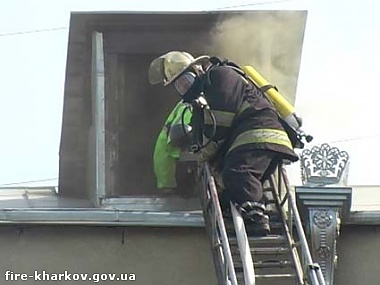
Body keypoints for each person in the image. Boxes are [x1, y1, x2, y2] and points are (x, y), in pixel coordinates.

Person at [148, 51, 298, 235]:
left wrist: (204, 156)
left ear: (197, 69)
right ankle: (257, 211)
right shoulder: (200, 101)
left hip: (258, 133)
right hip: (252, 140)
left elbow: (219, 125)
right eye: (179, 86)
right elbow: (203, 136)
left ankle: (257, 219)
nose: (185, 88)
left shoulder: (221, 76)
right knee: (228, 191)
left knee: (238, 173)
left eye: (186, 80)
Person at [153, 100, 192, 195]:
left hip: (168, 142)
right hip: (170, 143)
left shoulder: (187, 102)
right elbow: (181, 130)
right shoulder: (189, 107)